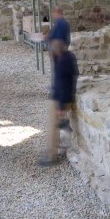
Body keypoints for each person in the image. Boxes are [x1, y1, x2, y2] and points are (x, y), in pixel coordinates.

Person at [39, 39, 78, 167]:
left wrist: (61, 107)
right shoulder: (69, 57)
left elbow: (62, 84)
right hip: (65, 96)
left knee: (51, 127)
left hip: (59, 99)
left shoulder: (61, 64)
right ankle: (64, 125)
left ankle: (51, 156)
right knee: (55, 124)